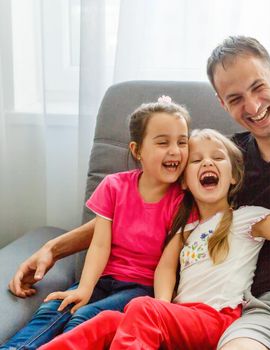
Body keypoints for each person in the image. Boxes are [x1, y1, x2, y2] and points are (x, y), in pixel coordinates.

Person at [8, 35, 270, 349]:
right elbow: (132, 212)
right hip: (265, 309)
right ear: (222, 102)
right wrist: (54, 249)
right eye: (235, 98)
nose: (252, 106)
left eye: (258, 87)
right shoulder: (223, 158)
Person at [40, 129, 270, 350]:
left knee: (140, 310)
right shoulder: (183, 227)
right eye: (196, 161)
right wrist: (165, 305)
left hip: (220, 318)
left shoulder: (250, 218)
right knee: (106, 320)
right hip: (181, 317)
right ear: (184, 182)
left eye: (217, 158)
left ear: (234, 178)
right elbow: (166, 266)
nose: (206, 164)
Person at [1, 97, 197, 349]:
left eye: (182, 142)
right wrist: (84, 288)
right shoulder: (113, 187)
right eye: (163, 142)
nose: (175, 150)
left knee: (83, 318)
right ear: (137, 151)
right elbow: (100, 245)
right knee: (54, 307)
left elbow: (167, 267)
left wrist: (161, 307)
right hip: (103, 279)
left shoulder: (183, 203)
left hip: (141, 289)